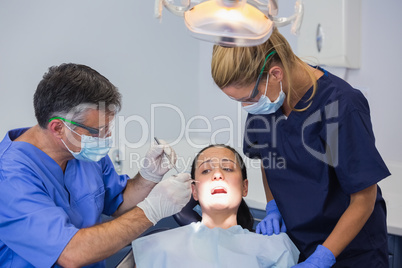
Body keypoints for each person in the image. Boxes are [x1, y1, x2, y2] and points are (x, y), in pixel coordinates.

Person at [210, 28, 390, 267]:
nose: (246, 107)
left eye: (247, 99)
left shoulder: (341, 104)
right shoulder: (265, 102)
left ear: (275, 74)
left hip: (352, 252)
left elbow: (364, 197)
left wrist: (323, 257)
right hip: (297, 243)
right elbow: (268, 157)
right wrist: (273, 206)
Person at [0, 63, 192, 267]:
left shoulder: (81, 152)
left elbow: (118, 203)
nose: (106, 137)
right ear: (58, 128)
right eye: (97, 130)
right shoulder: (10, 177)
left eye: (108, 128)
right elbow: (71, 253)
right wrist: (151, 211)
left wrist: (147, 177)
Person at [132, 144, 299, 267]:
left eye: (227, 168)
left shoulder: (275, 248)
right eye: (206, 171)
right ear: (194, 191)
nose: (218, 174)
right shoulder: (158, 247)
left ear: (244, 187)